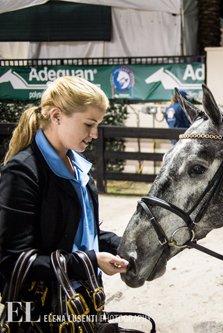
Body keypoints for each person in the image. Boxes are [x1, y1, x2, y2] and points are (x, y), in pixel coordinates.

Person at [0, 76, 129, 331]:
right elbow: (11, 261)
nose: (94, 134)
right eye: (89, 124)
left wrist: (127, 245)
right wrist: (90, 261)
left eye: (97, 125)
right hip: (36, 314)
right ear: (57, 116)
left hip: (81, 303)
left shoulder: (80, 168)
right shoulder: (22, 172)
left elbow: (85, 234)